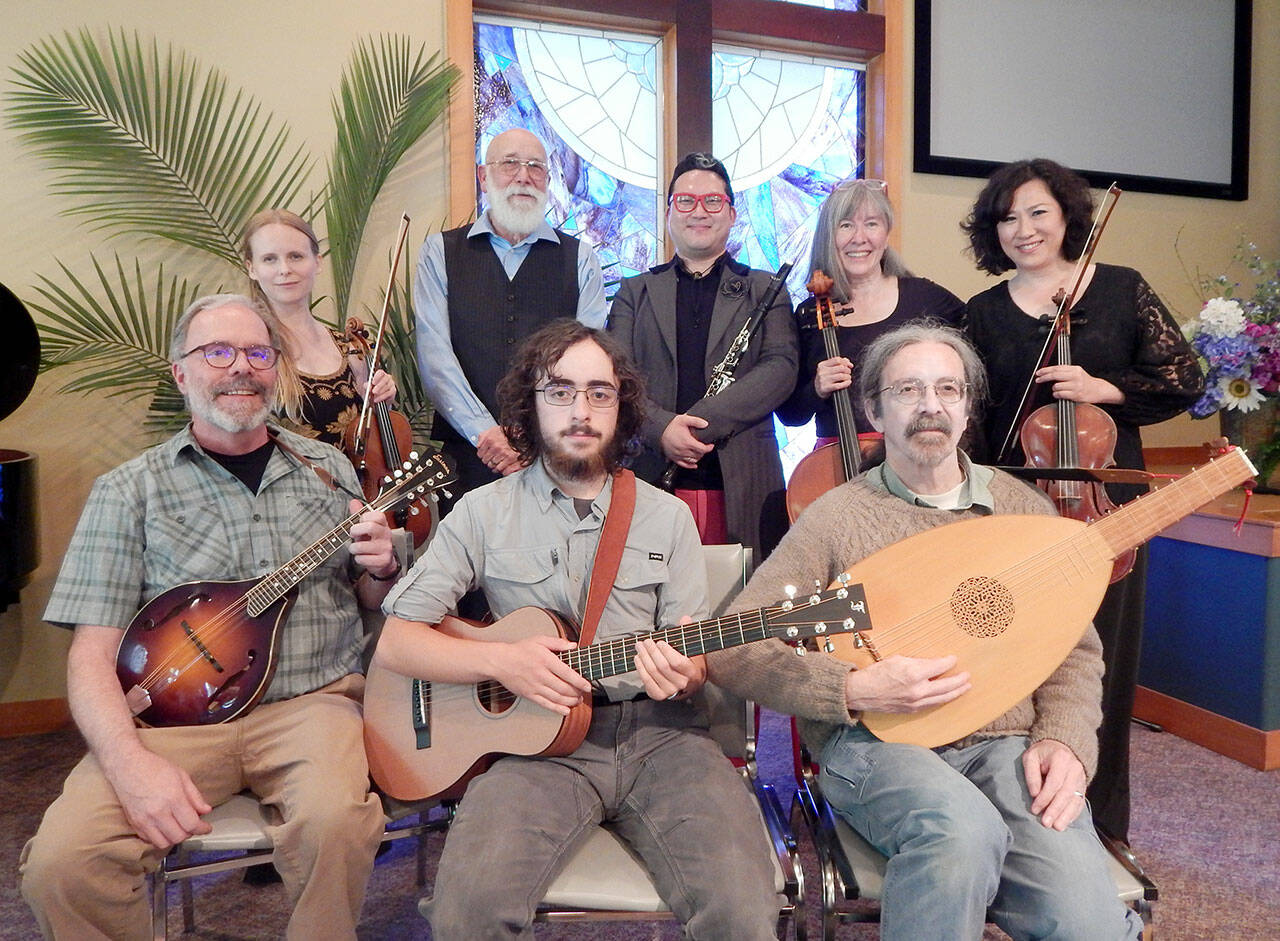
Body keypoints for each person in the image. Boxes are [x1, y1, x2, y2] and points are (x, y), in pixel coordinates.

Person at [707, 322, 1144, 939]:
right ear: (874, 411)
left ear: (968, 407)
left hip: (1006, 744)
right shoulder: (837, 518)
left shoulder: (1023, 510)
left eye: (947, 389)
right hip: (876, 745)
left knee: (1086, 922)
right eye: (908, 390)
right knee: (960, 834)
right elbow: (737, 643)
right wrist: (852, 691)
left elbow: (1074, 649)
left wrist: (1067, 741)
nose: (930, 405)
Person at [374, 319, 780, 938]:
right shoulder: (483, 512)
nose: (581, 410)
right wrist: (501, 664)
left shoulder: (667, 516)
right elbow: (400, 639)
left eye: (599, 392)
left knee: (745, 910)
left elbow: (692, 652)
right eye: (560, 391)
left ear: (623, 407)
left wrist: (686, 670)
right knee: (466, 912)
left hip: (662, 739)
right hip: (532, 747)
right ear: (530, 407)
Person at [19, 294, 399, 939]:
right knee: (62, 864)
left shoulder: (330, 469)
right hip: (172, 723)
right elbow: (90, 653)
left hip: (311, 705)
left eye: (257, 353)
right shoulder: (128, 490)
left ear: (276, 370)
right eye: (217, 353)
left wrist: (382, 567)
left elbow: (368, 604)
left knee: (338, 824)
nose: (241, 369)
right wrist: (129, 764)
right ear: (181, 373)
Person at [961, 157, 1204, 841]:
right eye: (1007, 217)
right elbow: (975, 420)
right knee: (1021, 666)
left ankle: (1105, 828)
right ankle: (1020, 822)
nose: (1023, 228)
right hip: (1017, 506)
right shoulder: (982, 311)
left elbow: (1183, 378)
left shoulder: (1121, 289)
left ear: (1068, 214)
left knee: (1106, 663)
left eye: (1037, 211)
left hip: (1108, 507)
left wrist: (1106, 389)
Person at [609, 152, 798, 557]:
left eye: (713, 201)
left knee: (741, 611)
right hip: (650, 474)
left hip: (744, 479)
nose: (700, 211)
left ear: (731, 214)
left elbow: (781, 369)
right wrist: (661, 429)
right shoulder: (633, 293)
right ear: (668, 213)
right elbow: (615, 381)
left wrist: (694, 429)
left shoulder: (766, 289)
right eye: (686, 201)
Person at [413, 128, 608, 504]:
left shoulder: (581, 259)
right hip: (466, 456)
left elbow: (587, 363)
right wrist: (485, 433)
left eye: (536, 167)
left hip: (556, 456)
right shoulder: (441, 252)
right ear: (484, 177)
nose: (523, 176)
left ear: (548, 182)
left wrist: (543, 434)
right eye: (510, 164)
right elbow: (435, 358)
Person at [777, 178, 963, 449]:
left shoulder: (925, 297)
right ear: (830, 237)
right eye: (846, 225)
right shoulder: (808, 314)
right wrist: (817, 387)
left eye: (871, 224)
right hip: (832, 460)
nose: (859, 238)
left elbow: (977, 359)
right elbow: (790, 415)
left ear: (886, 235)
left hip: (914, 454)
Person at [241, 208, 397, 446]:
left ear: (317, 262)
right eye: (270, 259)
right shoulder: (246, 352)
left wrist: (383, 401)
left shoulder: (350, 347)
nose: (284, 269)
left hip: (356, 483)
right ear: (252, 268)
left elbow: (372, 442)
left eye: (295, 256)